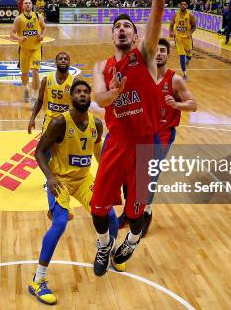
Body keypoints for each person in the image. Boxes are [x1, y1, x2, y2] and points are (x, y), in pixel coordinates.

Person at [89, 0, 165, 276]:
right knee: (97, 208)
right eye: (117, 26)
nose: (122, 29)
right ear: (112, 34)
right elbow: (99, 97)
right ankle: (104, 245)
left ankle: (130, 243)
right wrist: (115, 93)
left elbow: (157, 6)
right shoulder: (101, 66)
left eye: (128, 26)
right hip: (116, 142)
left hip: (144, 146)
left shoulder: (146, 55)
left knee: (136, 216)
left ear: (135, 36)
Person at [29, 80, 121, 305]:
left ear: (90, 98)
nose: (82, 94)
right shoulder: (60, 123)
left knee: (109, 216)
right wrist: (50, 177)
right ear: (71, 97)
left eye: (86, 92)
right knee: (59, 224)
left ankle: (108, 250)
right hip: (60, 180)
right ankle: (38, 280)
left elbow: (99, 152)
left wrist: (108, 178)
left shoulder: (96, 125)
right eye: (78, 91)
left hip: (83, 180)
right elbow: (39, 152)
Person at [119, 38, 197, 236]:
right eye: (157, 51)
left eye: (163, 50)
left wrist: (177, 105)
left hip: (162, 133)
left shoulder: (174, 80)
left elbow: (193, 104)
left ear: (168, 55)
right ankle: (130, 212)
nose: (160, 54)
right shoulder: (143, 76)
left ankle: (146, 212)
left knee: (148, 172)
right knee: (128, 173)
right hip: (140, 131)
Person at [28, 52, 76, 135]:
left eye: (66, 59)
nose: (63, 61)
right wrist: (32, 118)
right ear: (56, 62)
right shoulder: (46, 80)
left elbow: (79, 105)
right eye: (60, 59)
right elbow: (39, 100)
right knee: (45, 147)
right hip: (50, 120)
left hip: (68, 120)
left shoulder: (74, 82)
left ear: (69, 63)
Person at [10, 0, 46, 103]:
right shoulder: (18, 19)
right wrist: (19, 38)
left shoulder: (38, 16)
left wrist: (42, 36)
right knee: (24, 73)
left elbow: (44, 28)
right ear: (22, 6)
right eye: (25, 3)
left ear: (32, 5)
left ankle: (35, 95)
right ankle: (26, 88)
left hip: (36, 49)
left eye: (29, 3)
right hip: (24, 49)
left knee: (35, 71)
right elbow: (12, 33)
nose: (28, 5)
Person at [168, 0, 196, 80]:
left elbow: (194, 26)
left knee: (189, 56)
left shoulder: (190, 15)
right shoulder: (175, 15)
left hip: (187, 38)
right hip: (178, 37)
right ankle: (184, 74)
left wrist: (190, 33)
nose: (183, 5)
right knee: (181, 56)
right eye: (182, 4)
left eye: (185, 4)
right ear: (179, 5)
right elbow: (171, 25)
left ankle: (188, 58)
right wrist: (171, 32)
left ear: (187, 6)